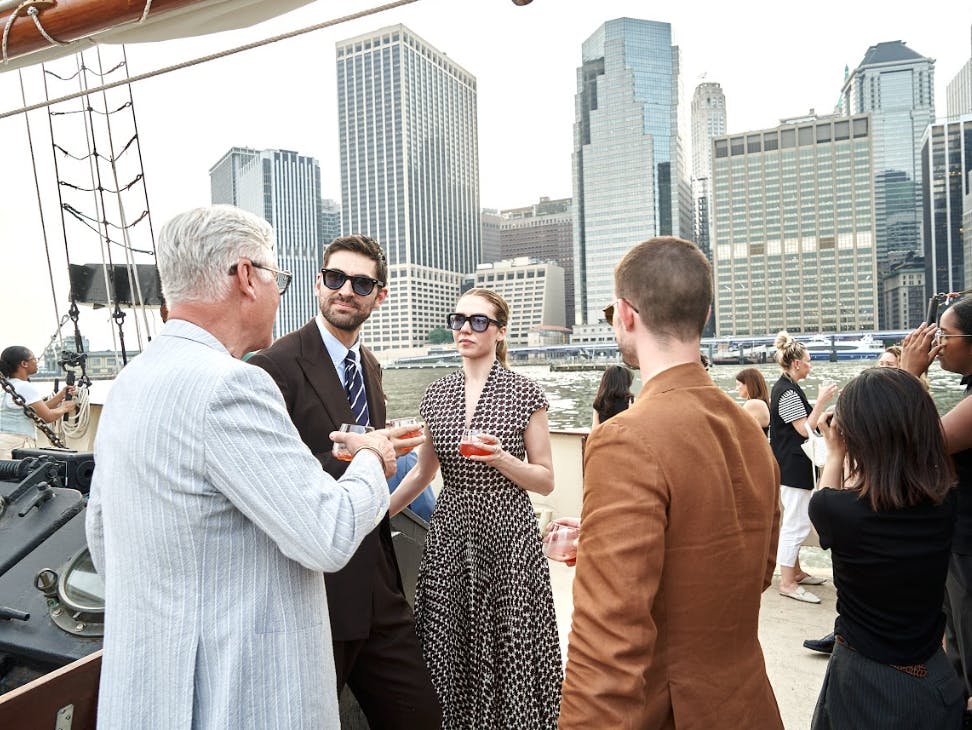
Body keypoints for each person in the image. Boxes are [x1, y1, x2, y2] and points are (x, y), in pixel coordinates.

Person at [85, 206, 406, 728]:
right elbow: (326, 534)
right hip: (234, 698)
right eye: (277, 277)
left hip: (147, 695)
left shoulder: (130, 383)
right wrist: (373, 455)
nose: (281, 293)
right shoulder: (234, 386)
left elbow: (102, 538)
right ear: (245, 277)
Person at [559, 237, 783, 729]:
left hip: (673, 712)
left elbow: (607, 645)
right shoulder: (748, 427)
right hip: (748, 703)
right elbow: (755, 569)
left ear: (625, 314)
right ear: (704, 315)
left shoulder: (626, 439)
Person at [247, 234, 441, 728]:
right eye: (335, 278)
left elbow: (369, 455)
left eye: (361, 282)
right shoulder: (274, 366)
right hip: (316, 594)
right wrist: (361, 455)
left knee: (419, 716)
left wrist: (384, 451)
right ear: (318, 283)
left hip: (379, 580)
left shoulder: (371, 367)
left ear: (380, 295)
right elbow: (270, 476)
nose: (346, 291)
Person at [389, 288, 562, 729]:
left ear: (500, 332)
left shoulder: (525, 393)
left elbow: (545, 478)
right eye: (459, 320)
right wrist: (376, 514)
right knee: (449, 642)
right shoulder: (438, 394)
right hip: (450, 532)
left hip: (506, 530)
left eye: (479, 321)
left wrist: (502, 459)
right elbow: (422, 474)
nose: (465, 328)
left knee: (510, 643)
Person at [809, 367, 962, 729]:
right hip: (935, 676)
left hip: (867, 685)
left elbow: (825, 505)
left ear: (857, 437)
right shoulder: (947, 501)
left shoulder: (838, 511)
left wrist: (834, 454)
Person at [902, 298, 972, 715]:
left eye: (945, 334)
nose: (938, 343)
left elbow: (930, 443)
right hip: (959, 535)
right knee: (957, 645)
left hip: (968, 543)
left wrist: (910, 375)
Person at [770, 332, 837, 604]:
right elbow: (803, 429)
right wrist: (821, 400)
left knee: (796, 521)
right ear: (796, 363)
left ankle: (795, 572)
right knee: (795, 524)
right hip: (792, 466)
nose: (811, 365)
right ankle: (786, 581)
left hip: (792, 464)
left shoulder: (787, 388)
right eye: (808, 361)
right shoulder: (786, 391)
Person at [0, 346, 76, 458]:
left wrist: (60, 396)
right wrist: (65, 408)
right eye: (34, 359)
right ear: (24, 364)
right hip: (16, 444)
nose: (37, 362)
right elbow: (47, 417)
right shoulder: (24, 387)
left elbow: (36, 410)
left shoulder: (8, 385)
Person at [736, 366, 770, 434]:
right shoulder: (763, 402)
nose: (736, 389)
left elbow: (736, 429)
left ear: (748, 385)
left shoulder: (754, 403)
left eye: (738, 384)